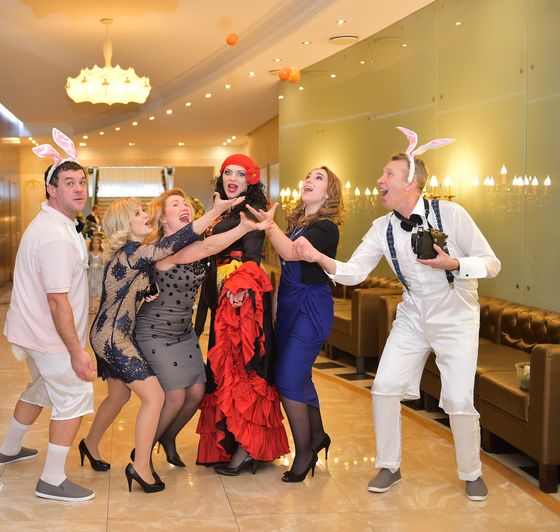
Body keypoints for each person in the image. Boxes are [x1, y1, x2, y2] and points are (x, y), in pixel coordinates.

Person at [293, 127, 501, 501]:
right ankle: (389, 465)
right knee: (384, 387)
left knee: (458, 399)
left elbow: (492, 263)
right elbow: (354, 272)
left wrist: (454, 263)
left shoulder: (451, 214)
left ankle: (471, 472)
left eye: (388, 174)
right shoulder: (382, 228)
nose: (379, 180)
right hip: (412, 314)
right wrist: (319, 257)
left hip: (456, 316)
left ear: (411, 182)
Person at [82, 192, 244, 494]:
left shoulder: (136, 253)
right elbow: (181, 241)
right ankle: (140, 466)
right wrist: (217, 212)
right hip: (113, 338)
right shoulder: (134, 253)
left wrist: (147, 291)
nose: (146, 215)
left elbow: (131, 285)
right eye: (139, 213)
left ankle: (89, 444)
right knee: (155, 397)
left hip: (115, 333)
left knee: (118, 396)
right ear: (125, 225)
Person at [135, 188, 275, 468]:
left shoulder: (195, 242)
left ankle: (168, 437)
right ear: (162, 218)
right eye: (176, 204)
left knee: (197, 393)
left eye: (185, 202)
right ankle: (141, 456)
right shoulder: (163, 248)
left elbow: (212, 253)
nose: (184, 206)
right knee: (175, 396)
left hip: (183, 332)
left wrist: (246, 229)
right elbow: (208, 248)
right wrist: (242, 226)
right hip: (156, 331)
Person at [0, 128, 96, 502]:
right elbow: (57, 301)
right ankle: (52, 480)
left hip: (31, 332)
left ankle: (8, 449)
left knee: (39, 389)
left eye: (81, 182)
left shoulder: (57, 224)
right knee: (74, 396)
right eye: (69, 183)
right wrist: (76, 351)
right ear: (51, 189)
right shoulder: (54, 236)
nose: (78, 189)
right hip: (50, 337)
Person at [194, 154, 290, 476]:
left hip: (241, 300)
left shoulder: (252, 209)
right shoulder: (223, 208)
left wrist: (237, 291)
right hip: (222, 297)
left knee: (243, 368)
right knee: (225, 370)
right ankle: (231, 443)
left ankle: (248, 448)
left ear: (250, 180)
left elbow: (251, 258)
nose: (232, 178)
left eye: (239, 173)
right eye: (227, 172)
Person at [247, 166, 344, 482]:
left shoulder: (326, 228)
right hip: (289, 304)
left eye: (318, 178)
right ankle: (318, 436)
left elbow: (290, 254)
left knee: (288, 379)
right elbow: (286, 271)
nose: (309, 180)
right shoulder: (297, 224)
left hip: (311, 307)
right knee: (300, 377)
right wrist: (277, 309)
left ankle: (304, 451)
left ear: (329, 194)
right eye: (308, 176)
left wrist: (268, 225)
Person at [87, 234, 104, 313]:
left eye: (97, 243)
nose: (95, 245)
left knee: (99, 288)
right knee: (91, 287)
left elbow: (103, 263)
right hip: (91, 273)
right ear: (91, 244)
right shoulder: (90, 253)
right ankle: (91, 306)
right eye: (94, 243)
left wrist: (101, 266)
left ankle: (99, 307)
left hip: (99, 273)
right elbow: (88, 262)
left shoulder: (101, 253)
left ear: (100, 244)